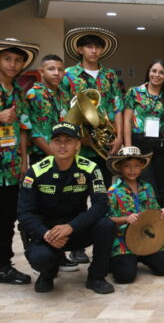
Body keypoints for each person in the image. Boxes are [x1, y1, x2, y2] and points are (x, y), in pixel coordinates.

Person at [18, 122, 115, 293]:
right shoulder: (35, 172)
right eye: (57, 140)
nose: (62, 145)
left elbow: (101, 205)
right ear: (51, 144)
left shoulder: (90, 168)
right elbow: (24, 213)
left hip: (76, 228)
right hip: (47, 232)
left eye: (68, 140)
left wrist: (70, 227)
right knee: (40, 258)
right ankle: (47, 273)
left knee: (106, 224)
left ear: (77, 144)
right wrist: (46, 234)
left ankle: (96, 277)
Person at [61, 27, 124, 179]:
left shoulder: (110, 76)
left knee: (104, 189)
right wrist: (77, 138)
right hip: (79, 145)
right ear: (80, 49)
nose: (94, 50)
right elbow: (63, 110)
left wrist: (119, 138)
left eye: (98, 47)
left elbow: (117, 108)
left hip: (105, 144)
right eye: (89, 46)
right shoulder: (68, 75)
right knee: (78, 191)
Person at [106, 147, 164, 284]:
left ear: (142, 166)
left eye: (137, 166)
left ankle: (139, 257)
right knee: (125, 276)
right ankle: (117, 260)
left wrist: (162, 213)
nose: (132, 170)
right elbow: (106, 220)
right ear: (119, 167)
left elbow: (154, 211)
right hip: (123, 242)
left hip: (146, 238)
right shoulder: (113, 191)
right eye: (127, 166)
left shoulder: (147, 187)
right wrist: (125, 219)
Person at [123, 59, 164, 208]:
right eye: (154, 71)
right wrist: (128, 147)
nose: (156, 75)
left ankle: (160, 223)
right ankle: (144, 221)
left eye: (161, 72)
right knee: (145, 185)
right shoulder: (135, 92)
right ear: (148, 72)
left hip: (161, 146)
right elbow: (127, 121)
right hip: (139, 143)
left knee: (162, 188)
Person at [0, 38, 38, 285]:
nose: (13, 64)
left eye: (17, 60)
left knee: (6, 218)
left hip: (12, 167)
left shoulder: (19, 93)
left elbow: (24, 129)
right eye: (7, 59)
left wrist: (24, 161)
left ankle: (4, 265)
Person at [26, 54, 70, 166]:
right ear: (41, 71)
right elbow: (34, 133)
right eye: (51, 69)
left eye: (60, 69)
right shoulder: (34, 94)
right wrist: (55, 156)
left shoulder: (65, 94)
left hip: (65, 155)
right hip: (42, 156)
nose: (56, 73)